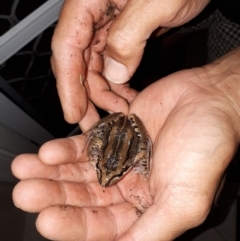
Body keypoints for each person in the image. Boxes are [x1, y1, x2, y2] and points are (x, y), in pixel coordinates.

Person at [12, 0, 240, 240]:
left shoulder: (119, 161)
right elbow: (117, 149)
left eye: (111, 175)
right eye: (107, 173)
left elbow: (131, 149)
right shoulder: (109, 161)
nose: (106, 179)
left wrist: (227, 92)